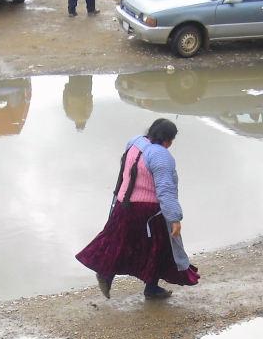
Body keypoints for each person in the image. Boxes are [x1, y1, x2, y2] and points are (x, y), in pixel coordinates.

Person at [76, 118, 199, 300]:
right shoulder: (160, 156)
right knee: (158, 248)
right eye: (171, 139)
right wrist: (175, 218)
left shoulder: (135, 143)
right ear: (167, 138)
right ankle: (150, 287)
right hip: (148, 212)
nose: (171, 144)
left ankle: (107, 273)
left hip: (123, 205)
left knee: (117, 243)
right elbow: (165, 190)